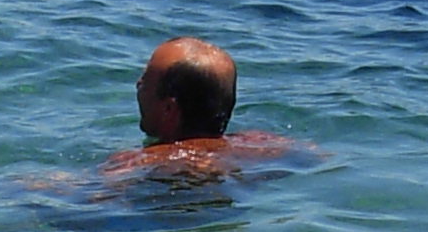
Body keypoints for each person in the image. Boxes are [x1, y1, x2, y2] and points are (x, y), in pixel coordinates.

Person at [97, 39, 312, 184]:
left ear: (169, 108)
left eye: (145, 82)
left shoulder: (136, 162)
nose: (138, 84)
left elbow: (88, 202)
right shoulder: (265, 144)